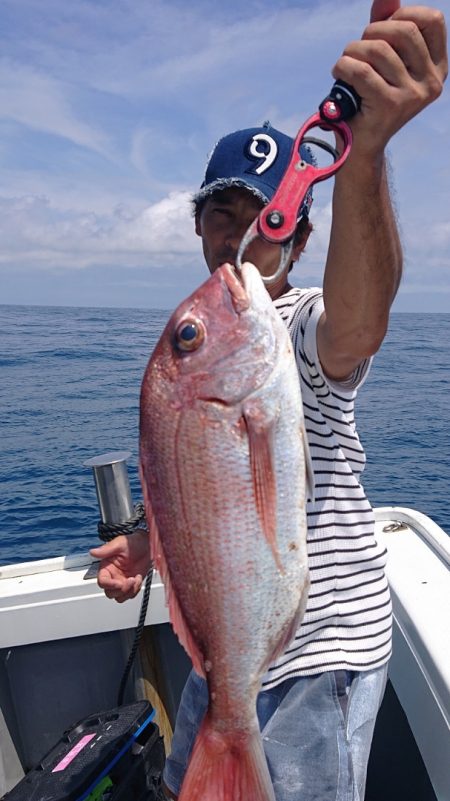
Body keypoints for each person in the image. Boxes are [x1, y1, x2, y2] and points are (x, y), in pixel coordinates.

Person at [90, 2, 447, 799]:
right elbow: (207, 498)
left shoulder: (295, 327)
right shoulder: (201, 344)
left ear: (301, 235)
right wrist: (151, 545)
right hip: (227, 658)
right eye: (223, 211)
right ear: (200, 227)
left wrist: (366, 153)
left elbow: (358, 325)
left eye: (263, 213)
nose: (241, 231)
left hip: (321, 658)